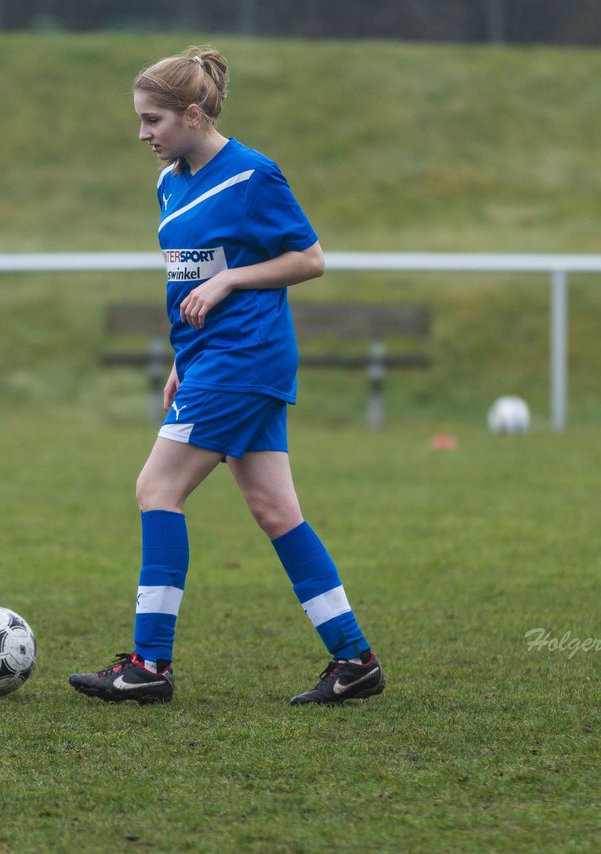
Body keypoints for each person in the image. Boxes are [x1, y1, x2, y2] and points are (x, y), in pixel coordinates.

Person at [68, 46, 384, 707]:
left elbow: (312, 258)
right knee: (275, 511)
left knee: (156, 487)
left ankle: (150, 666)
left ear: (192, 113)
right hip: (217, 361)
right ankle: (354, 659)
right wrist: (185, 358)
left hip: (248, 357)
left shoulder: (252, 176)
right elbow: (191, 271)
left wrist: (234, 278)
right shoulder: (169, 180)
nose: (142, 134)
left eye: (152, 120)